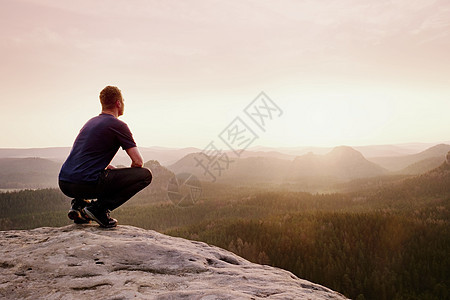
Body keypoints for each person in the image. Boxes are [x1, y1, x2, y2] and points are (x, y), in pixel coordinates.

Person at [58, 86, 152, 228]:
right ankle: (99, 209)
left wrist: (108, 171)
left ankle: (78, 206)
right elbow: (138, 162)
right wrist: (122, 179)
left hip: (65, 183)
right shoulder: (118, 125)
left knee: (95, 174)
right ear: (118, 103)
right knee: (145, 175)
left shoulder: (90, 122)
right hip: (86, 183)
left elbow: (84, 156)